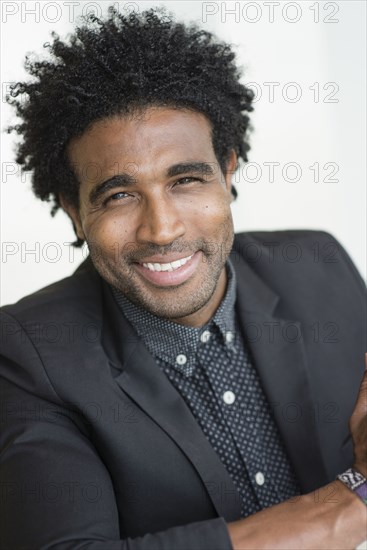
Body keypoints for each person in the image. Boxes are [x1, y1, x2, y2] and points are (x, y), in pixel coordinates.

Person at [1, 8, 366, 550]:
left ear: (229, 171)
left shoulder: (319, 263)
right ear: (75, 213)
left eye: (187, 180)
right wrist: (348, 505)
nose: (162, 228)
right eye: (119, 195)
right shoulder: (29, 354)